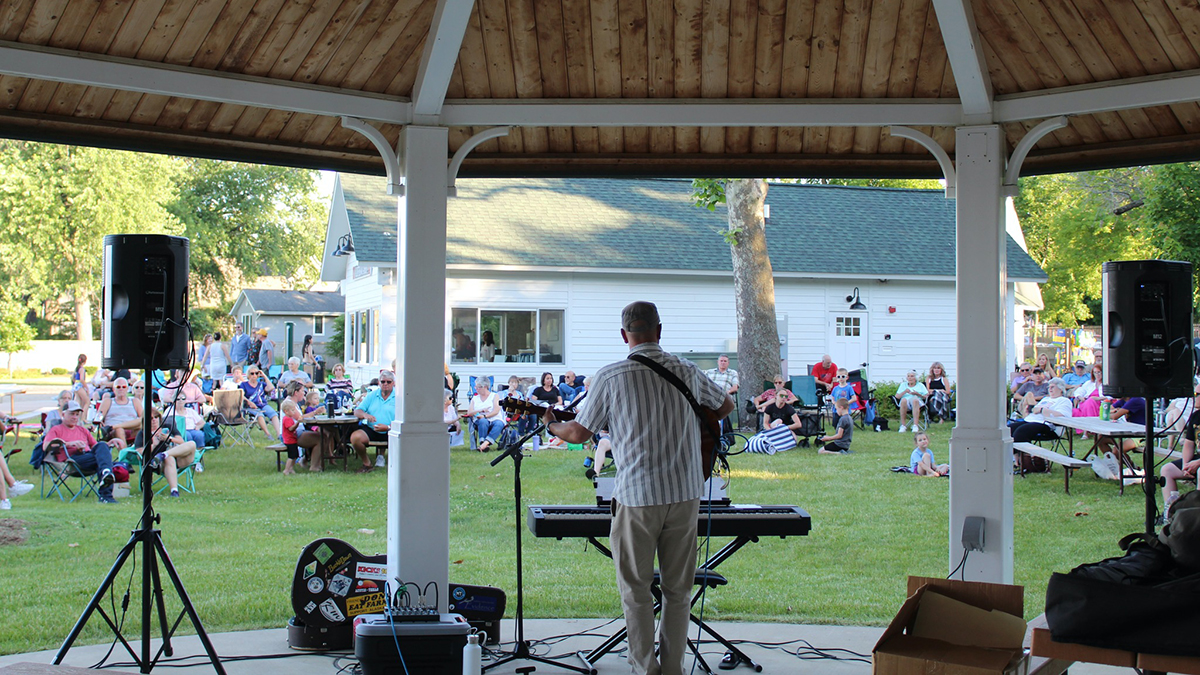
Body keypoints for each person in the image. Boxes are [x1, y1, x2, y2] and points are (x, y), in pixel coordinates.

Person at [540, 300, 733, 675]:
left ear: (624, 335)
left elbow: (579, 433)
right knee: (679, 592)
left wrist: (551, 425)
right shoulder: (687, 370)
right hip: (685, 491)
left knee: (636, 590)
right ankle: (673, 668)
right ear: (659, 331)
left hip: (637, 495)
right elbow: (724, 406)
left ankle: (647, 669)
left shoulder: (611, 377)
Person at [44, 400, 118, 504]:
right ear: (64, 414)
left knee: (102, 446)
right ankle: (107, 481)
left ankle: (106, 485)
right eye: (72, 414)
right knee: (104, 460)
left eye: (77, 414)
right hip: (72, 461)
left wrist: (109, 444)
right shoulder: (56, 429)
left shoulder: (82, 430)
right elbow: (46, 446)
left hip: (88, 457)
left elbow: (96, 447)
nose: (75, 417)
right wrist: (69, 444)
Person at [137, 408, 198, 497]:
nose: (154, 420)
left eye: (156, 417)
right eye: (150, 418)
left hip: (180, 458)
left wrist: (169, 438)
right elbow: (140, 454)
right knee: (169, 458)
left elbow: (181, 442)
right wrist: (153, 445)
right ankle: (174, 491)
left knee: (192, 444)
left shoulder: (168, 426)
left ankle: (164, 454)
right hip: (159, 463)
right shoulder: (143, 433)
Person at [1162, 387, 1200, 521]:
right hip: (1197, 459)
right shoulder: (1196, 416)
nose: (1194, 397)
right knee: (1167, 470)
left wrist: (1197, 463)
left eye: (1197, 394)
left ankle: (1196, 517)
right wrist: (1185, 464)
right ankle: (1171, 513)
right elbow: (1189, 443)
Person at [350, 370, 396, 472]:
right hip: (372, 429)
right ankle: (367, 464)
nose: (385, 384)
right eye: (383, 382)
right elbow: (357, 411)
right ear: (379, 383)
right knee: (355, 437)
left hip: (392, 431)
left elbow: (406, 419)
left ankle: (397, 465)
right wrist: (365, 415)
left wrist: (388, 427)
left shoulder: (399, 397)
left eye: (388, 382)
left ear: (393, 383)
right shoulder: (372, 395)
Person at [1007, 378, 1071, 443]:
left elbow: (1064, 416)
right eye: (1049, 387)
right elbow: (1035, 409)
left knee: (1021, 431)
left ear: (1060, 389)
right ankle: (1007, 452)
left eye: (1052, 387)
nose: (1050, 389)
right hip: (1031, 420)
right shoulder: (1046, 399)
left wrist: (1042, 410)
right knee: (1009, 429)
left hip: (1048, 426)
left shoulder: (1064, 400)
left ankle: (1022, 453)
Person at [745, 389, 805, 454]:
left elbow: (798, 424)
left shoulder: (789, 408)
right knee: (779, 421)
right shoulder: (769, 407)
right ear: (776, 396)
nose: (784, 398)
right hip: (773, 427)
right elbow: (765, 423)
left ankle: (779, 444)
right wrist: (770, 431)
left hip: (785, 429)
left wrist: (784, 428)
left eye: (786, 396)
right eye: (781, 396)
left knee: (794, 440)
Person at [97, 377, 143, 449]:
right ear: (113, 389)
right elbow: (98, 417)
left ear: (127, 389)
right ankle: (124, 456)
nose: (121, 389)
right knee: (119, 429)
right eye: (118, 387)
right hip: (113, 432)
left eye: (123, 387)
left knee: (143, 421)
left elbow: (142, 419)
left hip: (132, 429)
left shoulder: (135, 401)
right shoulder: (108, 401)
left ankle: (138, 455)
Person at [240, 367, 280, 438]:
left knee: (273, 414)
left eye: (256, 373)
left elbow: (271, 388)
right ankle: (268, 434)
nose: (254, 375)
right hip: (251, 406)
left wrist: (264, 375)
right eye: (252, 373)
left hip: (262, 404)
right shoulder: (244, 384)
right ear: (248, 375)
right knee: (260, 415)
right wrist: (249, 402)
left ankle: (279, 434)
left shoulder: (261, 384)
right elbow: (241, 395)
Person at [467, 377, 505, 452]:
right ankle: (483, 442)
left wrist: (485, 416)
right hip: (480, 421)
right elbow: (469, 412)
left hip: (494, 418)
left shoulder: (494, 396)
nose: (476, 389)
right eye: (476, 387)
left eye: (478, 387)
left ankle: (485, 443)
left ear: (485, 387)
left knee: (499, 423)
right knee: (483, 421)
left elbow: (496, 410)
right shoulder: (475, 398)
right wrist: (480, 410)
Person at [704, 355, 739, 435]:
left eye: (725, 361)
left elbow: (735, 387)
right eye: (721, 361)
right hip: (711, 396)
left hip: (724, 397)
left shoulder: (732, 373)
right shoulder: (709, 372)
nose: (723, 363)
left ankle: (720, 430)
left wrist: (725, 393)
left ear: (728, 363)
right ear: (718, 362)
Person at [280, 399, 302, 475]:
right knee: (291, 456)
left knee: (296, 455)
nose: (294, 412)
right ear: (286, 411)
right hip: (289, 441)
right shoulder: (287, 419)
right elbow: (291, 428)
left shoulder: (290, 419)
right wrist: (298, 423)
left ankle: (291, 468)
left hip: (293, 440)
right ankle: (286, 470)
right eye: (292, 410)